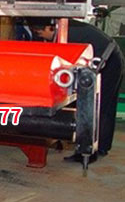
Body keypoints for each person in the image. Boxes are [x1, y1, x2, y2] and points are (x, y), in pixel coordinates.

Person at [26, 18, 124, 163]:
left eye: (39, 33)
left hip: (108, 60)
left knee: (97, 108)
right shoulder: (62, 27)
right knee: (98, 107)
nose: (40, 37)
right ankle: (99, 147)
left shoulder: (66, 33)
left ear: (48, 27)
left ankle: (90, 151)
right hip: (104, 57)